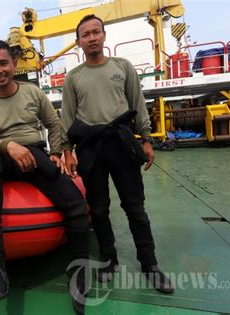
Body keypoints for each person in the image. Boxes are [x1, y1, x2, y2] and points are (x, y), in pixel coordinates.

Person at [0, 39, 90, 314]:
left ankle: (79, 267)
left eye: (3, 63)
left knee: (75, 203)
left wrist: (57, 150)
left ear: (13, 64)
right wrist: (7, 145)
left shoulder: (33, 93)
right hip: (0, 156)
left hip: (33, 155)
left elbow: (53, 123)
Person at [61, 15, 174, 293]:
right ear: (79, 42)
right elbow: (67, 117)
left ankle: (150, 263)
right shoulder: (73, 77)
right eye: (85, 35)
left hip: (122, 143)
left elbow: (137, 103)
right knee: (98, 209)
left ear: (103, 35)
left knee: (135, 207)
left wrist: (146, 139)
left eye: (96, 32)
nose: (91, 38)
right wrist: (67, 151)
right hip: (90, 146)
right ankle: (108, 259)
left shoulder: (123, 67)